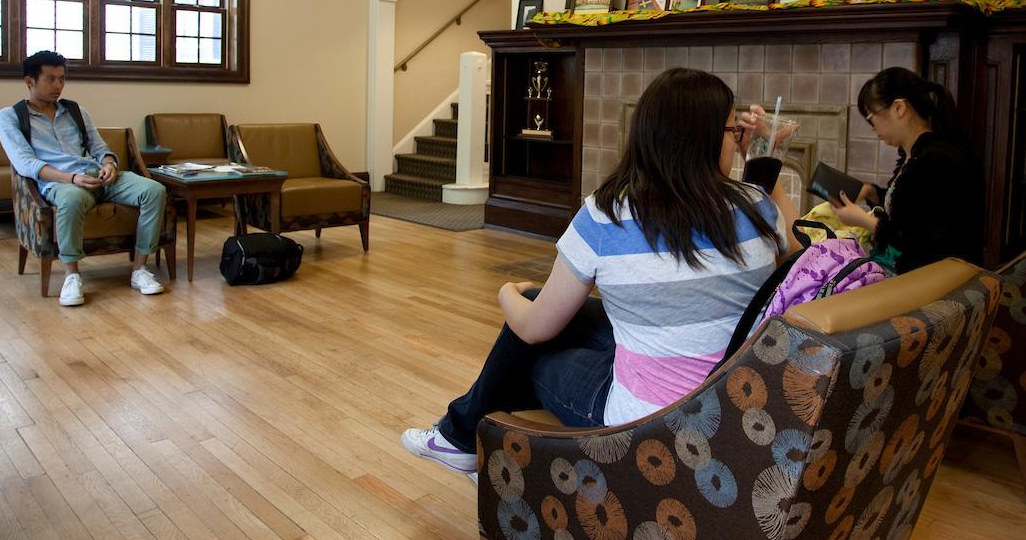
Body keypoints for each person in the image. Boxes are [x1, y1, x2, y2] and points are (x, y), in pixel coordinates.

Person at [401, 68, 798, 480]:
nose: (737, 140)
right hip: (730, 401)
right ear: (710, 139)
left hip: (648, 425)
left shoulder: (606, 214)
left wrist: (505, 292)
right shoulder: (756, 207)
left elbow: (534, 330)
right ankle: (459, 438)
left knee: (535, 353)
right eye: (734, 131)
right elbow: (803, 252)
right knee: (549, 309)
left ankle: (465, 440)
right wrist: (764, 160)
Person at [0, 50, 168, 307]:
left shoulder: (76, 111)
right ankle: (72, 276)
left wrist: (109, 164)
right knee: (72, 199)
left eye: (62, 79)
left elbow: (99, 148)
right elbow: (26, 164)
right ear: (29, 81)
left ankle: (139, 270)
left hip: (97, 175)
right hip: (60, 182)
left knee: (154, 190)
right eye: (51, 79)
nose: (58, 85)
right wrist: (71, 178)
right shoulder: (11, 116)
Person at [831, 66, 983, 274]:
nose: (873, 127)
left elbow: (920, 244)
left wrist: (863, 220)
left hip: (933, 280)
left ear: (899, 108)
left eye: (871, 117)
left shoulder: (936, 161)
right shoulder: (916, 155)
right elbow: (909, 210)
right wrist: (871, 192)